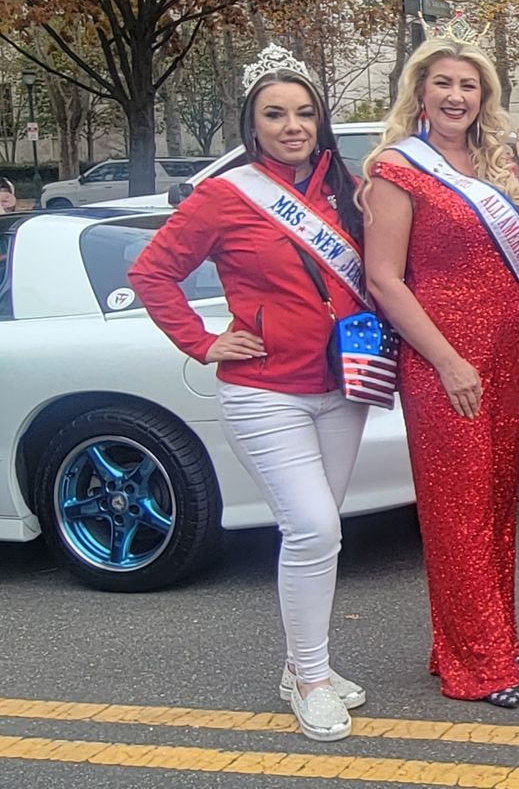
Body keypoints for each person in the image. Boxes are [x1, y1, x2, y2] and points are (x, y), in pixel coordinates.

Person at [128, 45, 372, 741]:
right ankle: (313, 680)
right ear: (253, 123)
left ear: (319, 119)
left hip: (344, 384)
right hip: (266, 391)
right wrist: (204, 342)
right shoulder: (223, 195)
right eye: (275, 113)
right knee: (313, 527)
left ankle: (305, 665)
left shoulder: (345, 191)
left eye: (303, 111)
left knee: (322, 539)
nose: (292, 124)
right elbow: (153, 274)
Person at [362, 36, 519, 708]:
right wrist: (446, 358)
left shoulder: (494, 167)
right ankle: (479, 664)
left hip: (502, 354)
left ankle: (482, 636)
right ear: (420, 90)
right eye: (443, 83)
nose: (456, 95)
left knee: (495, 501)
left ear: (483, 96)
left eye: (468, 84)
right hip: (443, 359)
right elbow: (384, 277)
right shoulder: (396, 170)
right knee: (456, 509)